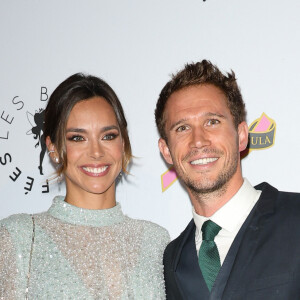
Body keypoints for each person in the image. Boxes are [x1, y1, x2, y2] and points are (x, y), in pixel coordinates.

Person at [0, 73, 170, 299]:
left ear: (123, 142)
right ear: (52, 147)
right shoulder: (19, 238)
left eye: (108, 136)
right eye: (77, 138)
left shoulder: (155, 241)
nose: (96, 152)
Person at [155, 60, 300, 299]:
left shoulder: (295, 220)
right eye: (182, 128)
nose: (198, 140)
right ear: (166, 151)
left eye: (212, 122)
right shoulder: (170, 261)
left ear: (242, 136)